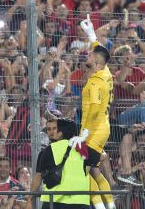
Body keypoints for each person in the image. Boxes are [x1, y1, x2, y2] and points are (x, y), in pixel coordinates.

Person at [69, 14, 115, 209]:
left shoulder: (96, 82)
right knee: (94, 171)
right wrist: (91, 34)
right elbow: (98, 50)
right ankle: (110, 206)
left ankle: (100, 207)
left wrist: (84, 134)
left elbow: (95, 111)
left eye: (89, 55)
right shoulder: (105, 72)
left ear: (96, 62)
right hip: (102, 128)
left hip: (94, 131)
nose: (87, 54)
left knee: (83, 171)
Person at [27, 118, 90, 209]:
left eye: (55, 129)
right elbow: (87, 171)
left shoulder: (49, 149)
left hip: (56, 200)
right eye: (49, 129)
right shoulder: (82, 149)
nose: (52, 132)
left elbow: (38, 176)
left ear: (60, 133)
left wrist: (29, 199)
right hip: (81, 200)